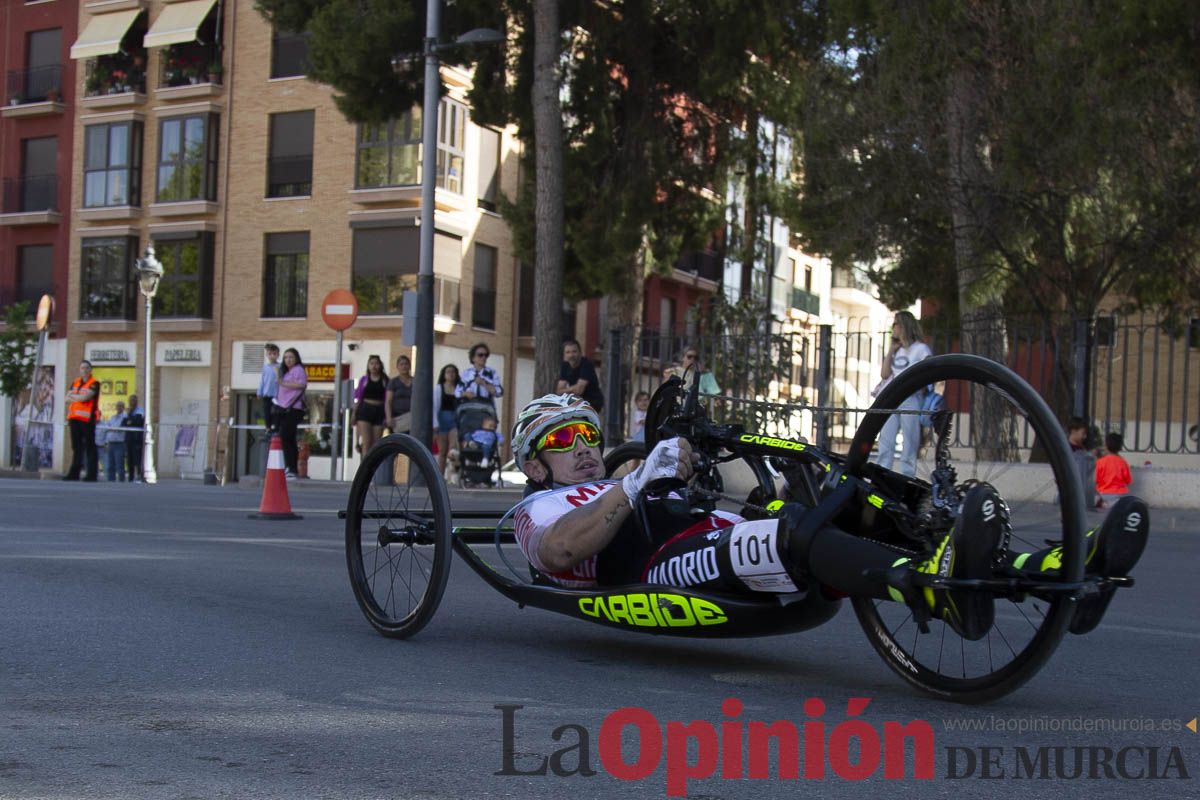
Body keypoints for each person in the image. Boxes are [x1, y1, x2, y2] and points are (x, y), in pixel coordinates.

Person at [508, 394, 1150, 640]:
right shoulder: (537, 508)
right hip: (660, 572)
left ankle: (1062, 571)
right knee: (787, 536)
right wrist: (641, 477)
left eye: (588, 434)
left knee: (839, 504)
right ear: (535, 466)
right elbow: (562, 553)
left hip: (716, 543)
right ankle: (936, 592)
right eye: (563, 443)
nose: (584, 449)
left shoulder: (618, 474)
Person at [875, 311, 933, 476]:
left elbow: (929, 371)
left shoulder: (920, 349)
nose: (893, 328)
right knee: (886, 439)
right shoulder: (897, 350)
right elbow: (885, 374)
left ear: (904, 326)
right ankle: (881, 474)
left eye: (896, 324)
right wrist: (890, 351)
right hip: (892, 396)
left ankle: (907, 476)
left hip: (911, 398)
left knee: (910, 440)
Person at [273, 348, 307, 479]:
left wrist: (283, 383)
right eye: (286, 357)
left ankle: (291, 468)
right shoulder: (287, 372)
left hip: (294, 408)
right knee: (289, 438)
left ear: (296, 358)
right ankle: (291, 468)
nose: (288, 360)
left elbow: (302, 385)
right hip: (284, 408)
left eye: (291, 357)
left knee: (285, 436)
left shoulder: (298, 370)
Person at [64, 360, 100, 481]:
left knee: (90, 447)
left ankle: (91, 475)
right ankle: (74, 474)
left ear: (90, 370)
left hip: (87, 420)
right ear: (79, 370)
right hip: (74, 419)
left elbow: (85, 398)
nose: (84, 370)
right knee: (76, 447)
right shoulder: (75, 382)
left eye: (87, 368)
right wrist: (77, 398)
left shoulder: (94, 383)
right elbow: (66, 399)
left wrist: (74, 397)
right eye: (82, 368)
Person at [557, 338, 604, 413]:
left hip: (592, 402)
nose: (571, 355)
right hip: (576, 402)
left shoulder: (586, 365)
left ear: (580, 353)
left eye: (574, 352)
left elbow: (579, 391)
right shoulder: (565, 366)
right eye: (568, 352)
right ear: (564, 355)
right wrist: (573, 388)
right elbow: (559, 391)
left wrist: (567, 390)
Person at [353, 355, 388, 456]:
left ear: (380, 365)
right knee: (366, 442)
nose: (374, 366)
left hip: (379, 411)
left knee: (376, 443)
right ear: (368, 366)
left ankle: (374, 468)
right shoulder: (364, 380)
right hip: (365, 410)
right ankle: (365, 468)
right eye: (371, 363)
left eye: (376, 363)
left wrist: (387, 416)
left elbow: (387, 400)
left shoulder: (385, 380)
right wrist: (354, 414)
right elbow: (359, 399)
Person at [432, 364, 463, 474]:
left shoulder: (459, 389)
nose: (451, 374)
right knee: (442, 451)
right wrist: (435, 424)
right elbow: (434, 407)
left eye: (453, 372)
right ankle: (440, 475)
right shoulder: (438, 388)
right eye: (448, 372)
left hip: (454, 421)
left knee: (453, 448)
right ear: (444, 375)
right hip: (442, 421)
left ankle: (453, 473)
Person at [458, 343, 503, 407]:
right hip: (469, 407)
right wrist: (466, 394)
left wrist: (484, 383)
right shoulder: (466, 373)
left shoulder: (491, 373)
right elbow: (457, 392)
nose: (484, 357)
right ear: (473, 358)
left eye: (486, 355)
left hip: (486, 408)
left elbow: (499, 392)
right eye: (480, 355)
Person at [1096, 432, 1133, 509]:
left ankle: (1104, 504)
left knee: (1096, 498)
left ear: (1106, 446)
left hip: (1103, 493)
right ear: (1120, 447)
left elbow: (1096, 480)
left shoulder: (1100, 462)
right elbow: (1128, 480)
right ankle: (1113, 505)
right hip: (1119, 494)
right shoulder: (1123, 462)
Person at [1067, 417, 1099, 508]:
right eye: (1083, 433)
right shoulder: (1067, 449)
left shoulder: (1082, 448)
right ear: (1073, 431)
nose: (1084, 437)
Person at [385, 354, 414, 435]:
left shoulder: (416, 381)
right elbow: (388, 401)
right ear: (397, 367)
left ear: (410, 366)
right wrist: (388, 417)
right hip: (397, 418)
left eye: (406, 364)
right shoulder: (393, 382)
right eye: (401, 364)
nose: (404, 366)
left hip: (412, 417)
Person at [257, 343, 282, 432]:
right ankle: (268, 427)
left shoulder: (280, 366)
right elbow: (262, 381)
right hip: (267, 393)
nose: (272, 356)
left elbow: (282, 380)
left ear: (278, 355)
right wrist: (259, 392)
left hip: (277, 394)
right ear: (267, 355)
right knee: (267, 411)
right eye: (270, 354)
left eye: (274, 354)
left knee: (277, 412)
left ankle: (276, 427)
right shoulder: (265, 367)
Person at [104, 401, 128, 482]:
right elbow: (107, 428)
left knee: (119, 464)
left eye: (121, 406)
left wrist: (112, 428)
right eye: (117, 406)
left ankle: (121, 481)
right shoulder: (113, 417)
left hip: (119, 443)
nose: (119, 408)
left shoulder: (125, 417)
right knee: (110, 465)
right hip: (111, 443)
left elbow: (118, 428)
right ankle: (111, 481)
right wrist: (106, 442)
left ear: (123, 407)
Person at [125, 394, 145, 483]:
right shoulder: (129, 411)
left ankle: (139, 476)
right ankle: (130, 477)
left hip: (137, 438)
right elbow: (124, 423)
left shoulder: (140, 410)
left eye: (133, 400)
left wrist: (130, 421)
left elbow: (138, 421)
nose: (131, 402)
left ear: (136, 401)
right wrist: (130, 421)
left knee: (137, 458)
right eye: (130, 400)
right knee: (130, 459)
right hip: (129, 438)